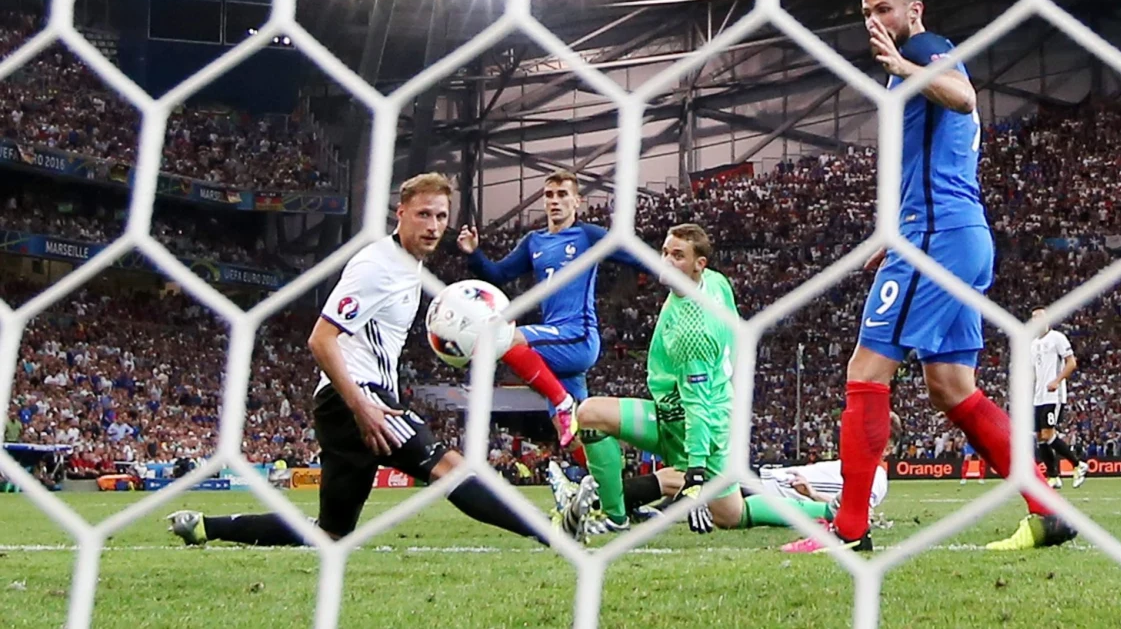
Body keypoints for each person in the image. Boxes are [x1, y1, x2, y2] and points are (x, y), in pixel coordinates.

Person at [786, 0, 1076, 553]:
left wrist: (903, 66)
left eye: (884, 9)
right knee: (950, 384)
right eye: (867, 12)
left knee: (864, 375)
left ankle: (849, 529)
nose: (874, 21)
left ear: (913, 10)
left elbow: (965, 98)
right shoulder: (914, 65)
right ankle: (1047, 510)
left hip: (937, 238)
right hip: (956, 236)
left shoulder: (927, 50)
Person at [167, 173, 596, 547]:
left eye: (441, 217)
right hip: (357, 399)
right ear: (401, 212)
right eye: (424, 214)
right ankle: (551, 529)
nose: (433, 226)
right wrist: (362, 406)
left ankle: (205, 527)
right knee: (450, 467)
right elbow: (321, 339)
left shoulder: (409, 267)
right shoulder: (376, 266)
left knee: (331, 532)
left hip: (348, 403)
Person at [565, 224, 831, 534]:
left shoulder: (693, 332)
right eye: (665, 252)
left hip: (699, 428)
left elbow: (697, 406)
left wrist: (694, 472)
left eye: (678, 256)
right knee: (590, 414)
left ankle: (829, 510)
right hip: (675, 415)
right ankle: (615, 517)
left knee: (730, 515)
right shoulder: (714, 282)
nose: (666, 261)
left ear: (698, 264)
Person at [458, 170, 644, 533]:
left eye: (562, 194)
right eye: (549, 194)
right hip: (554, 346)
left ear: (577, 202)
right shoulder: (534, 242)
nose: (554, 200)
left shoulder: (589, 235)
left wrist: (668, 269)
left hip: (577, 337)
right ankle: (621, 503)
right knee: (583, 434)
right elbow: (497, 276)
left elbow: (633, 255)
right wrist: (474, 254)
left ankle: (559, 401)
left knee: (503, 337)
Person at [1030, 307, 1085, 489]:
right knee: (1040, 437)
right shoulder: (1033, 344)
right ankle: (1053, 476)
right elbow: (1034, 371)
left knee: (1048, 434)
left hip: (1054, 395)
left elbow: (1072, 363)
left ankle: (1078, 464)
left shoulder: (1057, 338)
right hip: (1038, 396)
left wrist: (1057, 380)